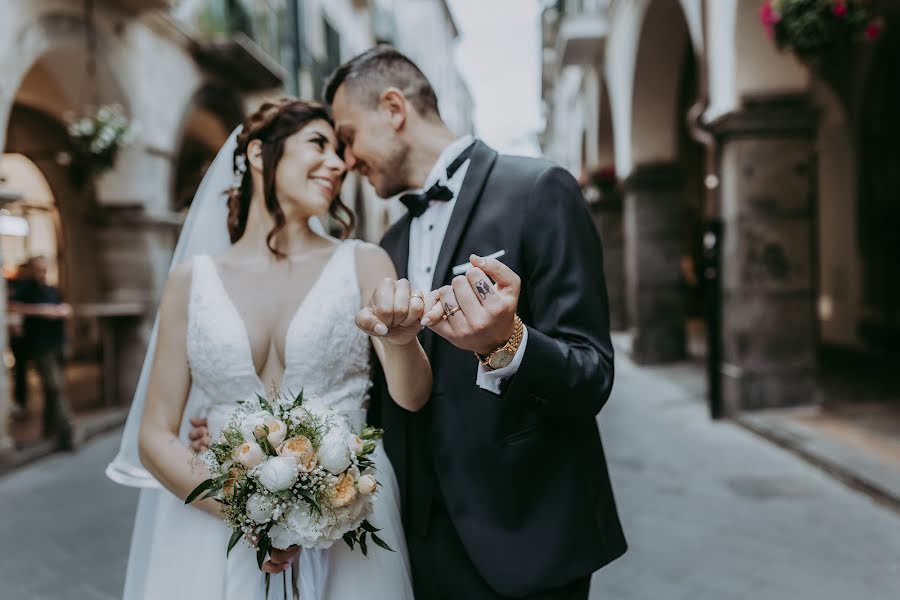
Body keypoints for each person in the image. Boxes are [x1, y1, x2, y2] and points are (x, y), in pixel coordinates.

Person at [254, 46, 628, 599]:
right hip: (416, 541)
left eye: (349, 136)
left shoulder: (539, 189)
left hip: (527, 534)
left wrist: (509, 344)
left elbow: (592, 372)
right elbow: (373, 391)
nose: (347, 160)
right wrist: (266, 444)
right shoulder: (385, 247)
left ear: (394, 108)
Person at [106, 99, 429, 599]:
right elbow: (155, 436)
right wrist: (248, 510)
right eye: (318, 145)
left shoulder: (365, 262)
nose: (339, 163)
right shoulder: (191, 281)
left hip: (347, 523)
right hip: (212, 528)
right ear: (259, 154)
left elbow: (411, 396)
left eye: (341, 152)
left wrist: (403, 341)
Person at [9, 256, 74, 448]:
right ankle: (67, 429)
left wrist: (63, 310)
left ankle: (49, 427)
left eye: (45, 269)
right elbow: (13, 307)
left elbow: (63, 307)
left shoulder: (52, 289)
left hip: (57, 342)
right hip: (40, 344)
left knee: (52, 388)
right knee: (54, 386)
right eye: (39, 269)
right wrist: (42, 310)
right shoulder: (26, 289)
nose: (42, 273)